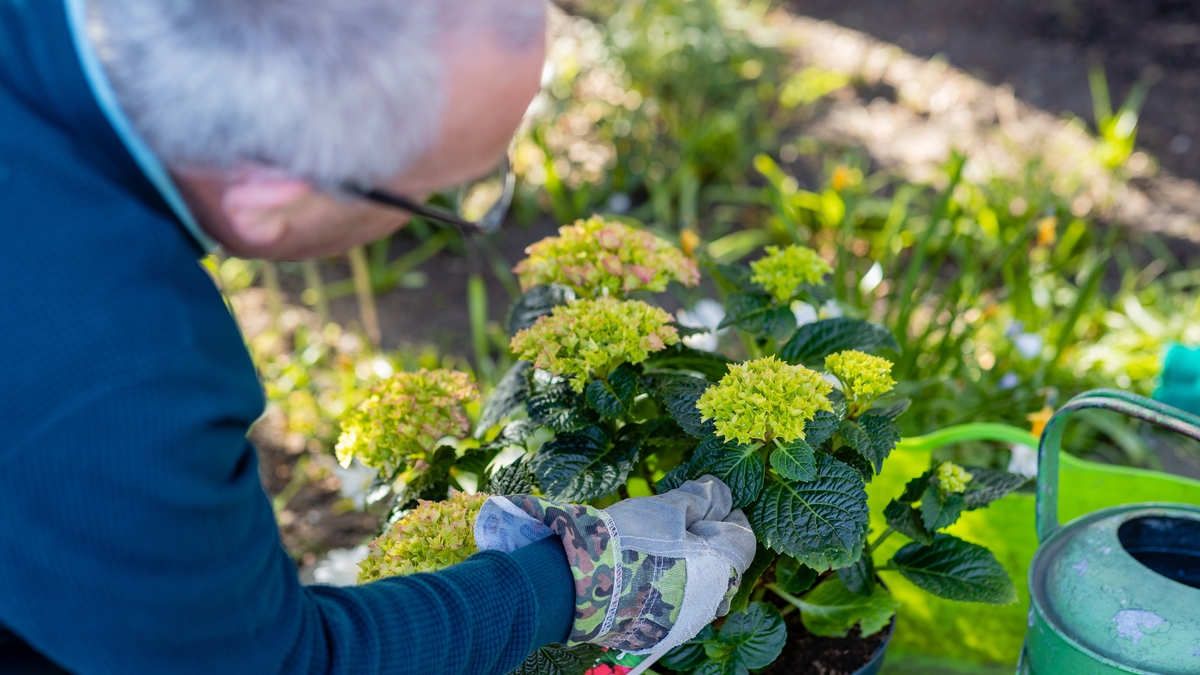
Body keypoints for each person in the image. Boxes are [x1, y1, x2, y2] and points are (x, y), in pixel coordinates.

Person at [0, 1, 758, 674]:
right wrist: (584, 581)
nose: (450, 204)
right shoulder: (122, 381)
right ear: (273, 193)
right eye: (443, 193)